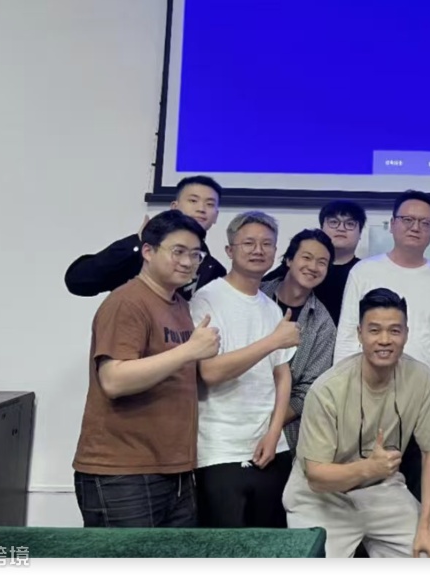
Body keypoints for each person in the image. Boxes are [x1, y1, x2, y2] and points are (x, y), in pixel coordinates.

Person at [72, 210, 220, 527]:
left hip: (175, 470)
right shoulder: (128, 302)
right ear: (149, 251)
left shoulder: (180, 305)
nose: (188, 262)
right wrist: (189, 351)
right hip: (123, 473)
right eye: (178, 251)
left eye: (196, 254)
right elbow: (113, 380)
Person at [283, 288, 430, 558]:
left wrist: (426, 526)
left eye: (394, 331)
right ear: (359, 334)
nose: (384, 340)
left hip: (381, 490)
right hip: (321, 499)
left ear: (406, 334)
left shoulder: (421, 379)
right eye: (374, 330)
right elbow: (316, 476)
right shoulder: (328, 389)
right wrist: (368, 468)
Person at [335, 190, 430, 501]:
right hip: (368, 400)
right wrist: (345, 398)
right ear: (392, 224)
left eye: (425, 223)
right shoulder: (364, 272)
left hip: (420, 403)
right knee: (366, 493)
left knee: (418, 492)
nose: (415, 227)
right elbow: (348, 335)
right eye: (407, 219)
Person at [190, 211, 303, 528]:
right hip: (220, 450)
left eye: (267, 244)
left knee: (271, 546)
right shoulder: (207, 300)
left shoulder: (271, 308)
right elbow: (209, 373)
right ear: (229, 250)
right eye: (249, 243)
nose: (258, 250)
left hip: (271, 448)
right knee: (226, 549)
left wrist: (274, 432)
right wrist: (272, 341)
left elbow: (282, 374)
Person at [65, 175, 227, 300]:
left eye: (210, 204)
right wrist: (137, 242)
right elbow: (78, 282)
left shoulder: (214, 270)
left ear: (216, 216)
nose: (201, 209)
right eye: (193, 200)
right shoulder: (144, 250)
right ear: (174, 207)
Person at [261, 229, 339, 451]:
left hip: (283, 433)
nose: (313, 267)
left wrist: (269, 425)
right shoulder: (257, 295)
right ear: (288, 259)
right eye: (306, 257)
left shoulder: (323, 324)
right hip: (233, 413)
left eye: (322, 262)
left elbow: (308, 390)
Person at [264, 200, 366, 325]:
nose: (341, 228)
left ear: (360, 233)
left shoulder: (364, 271)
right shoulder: (298, 266)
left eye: (350, 224)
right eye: (333, 222)